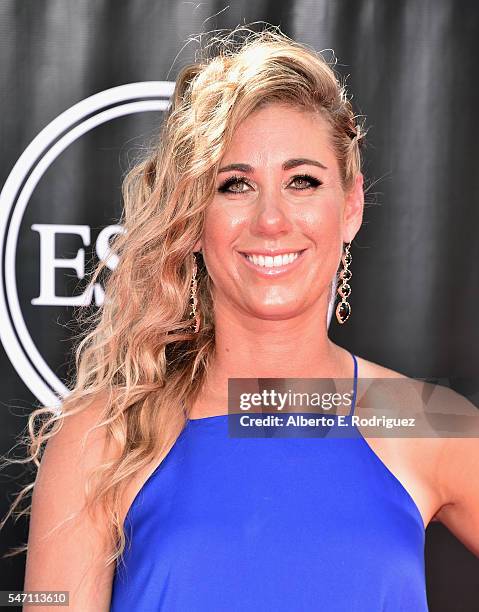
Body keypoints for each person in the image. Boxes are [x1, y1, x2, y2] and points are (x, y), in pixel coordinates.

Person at [4, 25, 477, 611]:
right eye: (235, 185)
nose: (271, 219)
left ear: (350, 206)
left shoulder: (419, 419)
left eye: (302, 181)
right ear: (194, 218)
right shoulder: (104, 437)